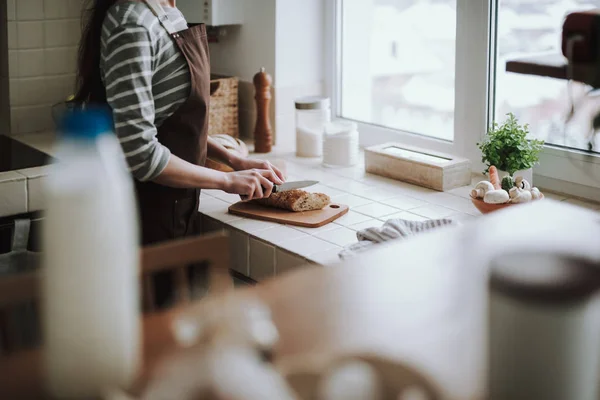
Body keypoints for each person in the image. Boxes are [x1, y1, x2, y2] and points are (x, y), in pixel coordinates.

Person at [75, 0, 284, 302]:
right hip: (146, 217)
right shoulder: (130, 23)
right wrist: (226, 181)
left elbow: (171, 120)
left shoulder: (168, 12)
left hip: (179, 208)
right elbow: (141, 153)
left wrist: (233, 159)